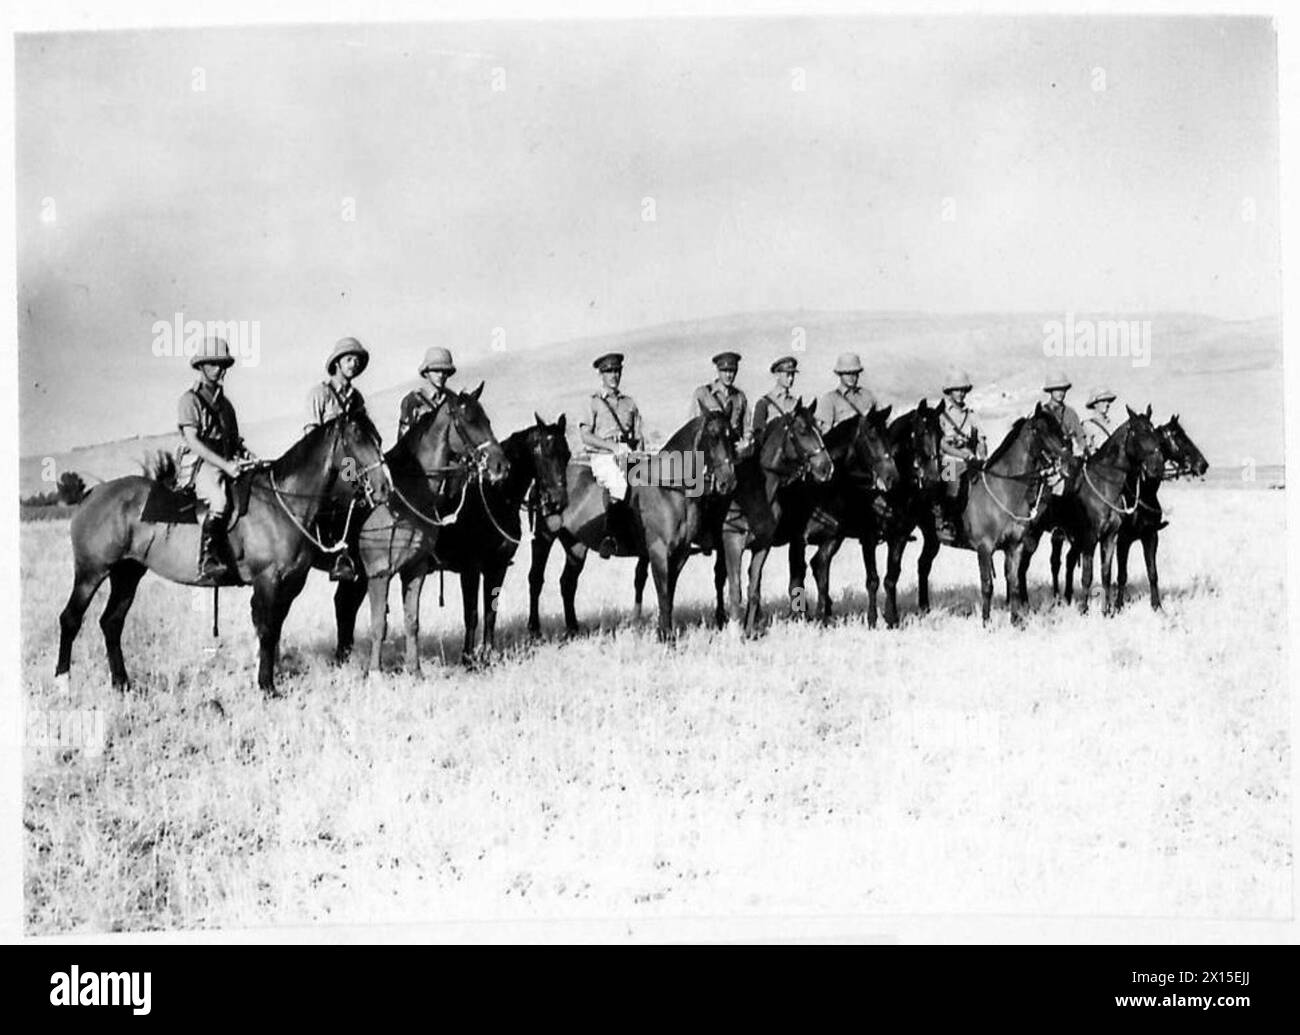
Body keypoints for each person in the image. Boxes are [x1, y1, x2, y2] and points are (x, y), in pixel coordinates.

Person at [176, 337, 255, 579]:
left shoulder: (226, 405)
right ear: (201, 366)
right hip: (201, 462)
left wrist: (248, 456)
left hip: (226, 460)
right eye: (213, 364)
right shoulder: (189, 399)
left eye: (222, 364)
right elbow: (193, 441)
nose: (219, 369)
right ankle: (208, 559)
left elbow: (234, 440)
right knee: (219, 500)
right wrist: (225, 466)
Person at [305, 336, 373, 579]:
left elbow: (364, 434)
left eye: (356, 360)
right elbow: (310, 434)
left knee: (363, 496)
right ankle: (325, 551)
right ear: (337, 363)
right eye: (348, 359)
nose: (353, 363)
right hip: (320, 463)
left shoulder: (357, 399)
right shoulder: (320, 393)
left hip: (348, 464)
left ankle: (349, 555)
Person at [579, 352, 644, 558]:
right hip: (603, 455)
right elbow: (585, 435)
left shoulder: (629, 403)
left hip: (627, 454)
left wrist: (638, 452)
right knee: (619, 483)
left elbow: (638, 435)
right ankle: (610, 536)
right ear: (601, 375)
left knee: (648, 483)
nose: (614, 375)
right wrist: (612, 447)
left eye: (617, 371)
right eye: (609, 372)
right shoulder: (594, 402)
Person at [933, 369, 986, 544]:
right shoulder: (941, 415)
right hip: (949, 460)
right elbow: (941, 444)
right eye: (957, 390)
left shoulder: (971, 415)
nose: (961, 394)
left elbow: (980, 438)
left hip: (971, 459)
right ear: (949, 392)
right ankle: (945, 523)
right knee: (951, 488)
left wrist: (982, 454)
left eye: (963, 390)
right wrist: (962, 454)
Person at [690, 351, 749, 449]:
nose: (728, 375)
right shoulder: (703, 393)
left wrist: (746, 440)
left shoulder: (739, 397)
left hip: (733, 450)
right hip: (710, 451)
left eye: (732, 371)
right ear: (718, 371)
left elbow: (746, 426)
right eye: (724, 371)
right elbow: (693, 427)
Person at [399, 347, 457, 440]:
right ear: (426, 373)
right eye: (436, 370)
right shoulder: (413, 401)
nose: (441, 375)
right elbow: (403, 441)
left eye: (445, 371)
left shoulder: (453, 399)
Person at [817, 352, 877, 432]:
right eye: (847, 373)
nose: (851, 377)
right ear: (840, 374)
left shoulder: (868, 396)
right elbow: (825, 434)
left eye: (855, 373)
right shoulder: (829, 400)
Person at [1041, 370, 1087, 455]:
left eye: (1063, 389)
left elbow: (1080, 436)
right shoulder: (1042, 413)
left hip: (1068, 458)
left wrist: (1081, 450)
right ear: (1051, 391)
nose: (1061, 393)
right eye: (1057, 389)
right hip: (1048, 458)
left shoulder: (1070, 413)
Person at [750, 356, 799, 431]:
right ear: (777, 375)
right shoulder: (764, 403)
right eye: (788, 374)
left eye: (793, 375)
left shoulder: (795, 403)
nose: (791, 378)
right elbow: (757, 433)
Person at [1083, 386, 1119, 456]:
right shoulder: (1087, 425)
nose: (1107, 404)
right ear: (1095, 404)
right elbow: (1086, 449)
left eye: (1108, 401)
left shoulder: (1114, 425)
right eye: (1103, 401)